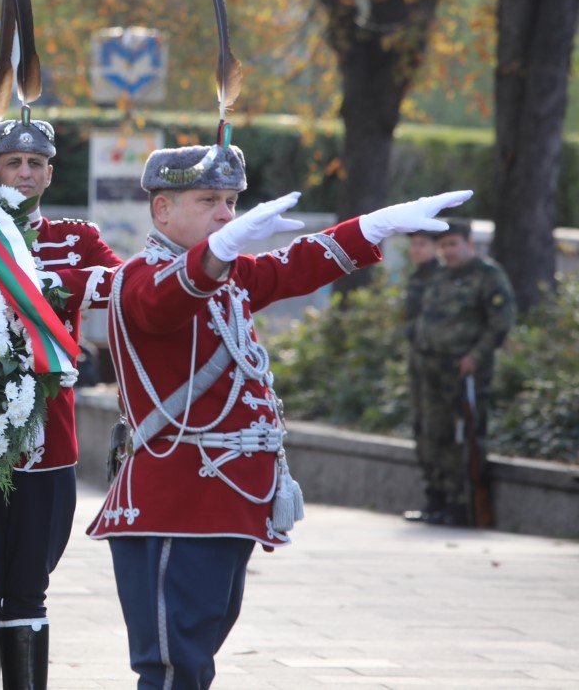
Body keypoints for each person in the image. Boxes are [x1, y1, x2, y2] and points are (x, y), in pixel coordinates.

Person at [88, 139, 471, 690]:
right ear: (162, 209)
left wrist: (375, 226)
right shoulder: (143, 279)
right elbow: (165, 301)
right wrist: (218, 252)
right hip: (177, 501)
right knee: (175, 664)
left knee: (198, 656)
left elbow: (296, 265)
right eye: (208, 200)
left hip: (228, 500)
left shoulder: (226, 275)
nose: (225, 213)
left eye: (230, 201)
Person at [0, 115, 122, 690]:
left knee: (31, 581)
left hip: (49, 432)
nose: (24, 173)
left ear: (49, 172)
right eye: (12, 162)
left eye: (35, 163)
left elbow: (122, 284)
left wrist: (46, 279)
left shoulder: (76, 237)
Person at [408, 220, 515, 526]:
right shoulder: (439, 277)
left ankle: (463, 505)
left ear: (470, 243)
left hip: (464, 372)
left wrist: (475, 356)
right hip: (430, 371)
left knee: (463, 437)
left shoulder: (488, 276)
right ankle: (437, 500)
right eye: (443, 246)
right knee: (432, 434)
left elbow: (500, 322)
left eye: (453, 244)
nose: (448, 252)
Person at [402, 230, 441, 523]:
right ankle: (433, 500)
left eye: (422, 244)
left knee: (441, 432)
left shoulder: (443, 278)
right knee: (421, 429)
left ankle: (450, 502)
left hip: (441, 370)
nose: (416, 250)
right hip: (419, 366)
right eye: (413, 244)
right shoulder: (417, 277)